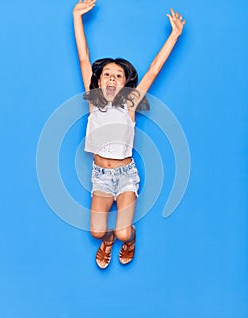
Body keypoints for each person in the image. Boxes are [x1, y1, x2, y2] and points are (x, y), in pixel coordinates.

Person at [72, 0, 186, 269]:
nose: (112, 79)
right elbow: (83, 56)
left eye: (118, 76)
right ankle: (107, 241)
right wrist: (76, 17)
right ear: (98, 81)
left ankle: (128, 239)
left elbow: (154, 69)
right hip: (100, 176)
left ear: (126, 84)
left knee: (124, 231)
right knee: (98, 232)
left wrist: (174, 34)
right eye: (107, 75)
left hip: (125, 175)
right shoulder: (93, 100)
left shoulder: (130, 104)